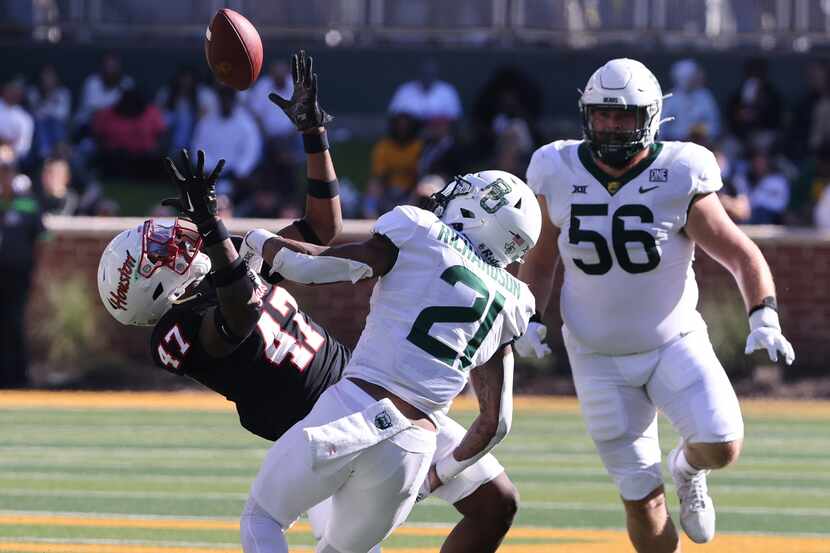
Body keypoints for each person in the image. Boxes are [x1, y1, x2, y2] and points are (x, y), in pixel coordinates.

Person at [98, 50, 525, 553]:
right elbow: (239, 314)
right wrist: (215, 229)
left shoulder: (227, 267)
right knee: (304, 534)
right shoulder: (176, 333)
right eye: (158, 253)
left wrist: (313, 135)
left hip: (370, 388)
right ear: (153, 290)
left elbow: (323, 228)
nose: (173, 241)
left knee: (497, 501)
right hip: (322, 424)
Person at [516, 58, 795, 553]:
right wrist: (531, 316)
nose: (612, 125)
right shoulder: (555, 167)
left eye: (624, 115)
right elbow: (540, 261)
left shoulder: (679, 169)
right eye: (603, 114)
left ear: (651, 116)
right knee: (641, 501)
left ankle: (686, 471)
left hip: (673, 342)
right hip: (597, 357)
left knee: (723, 445)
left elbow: (739, 253)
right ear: (587, 114)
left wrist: (763, 314)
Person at [239, 164, 539, 553]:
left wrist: (253, 239)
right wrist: (436, 477)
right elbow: (496, 424)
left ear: (478, 211)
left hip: (352, 408)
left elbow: (309, 266)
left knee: (262, 519)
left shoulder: (420, 231)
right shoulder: (512, 303)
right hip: (414, 449)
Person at [0, 145, 44, 388]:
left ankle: (17, 378)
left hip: (17, 275)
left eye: (6, 168)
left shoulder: (27, 204)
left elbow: (41, 240)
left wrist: (36, 271)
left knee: (14, 323)